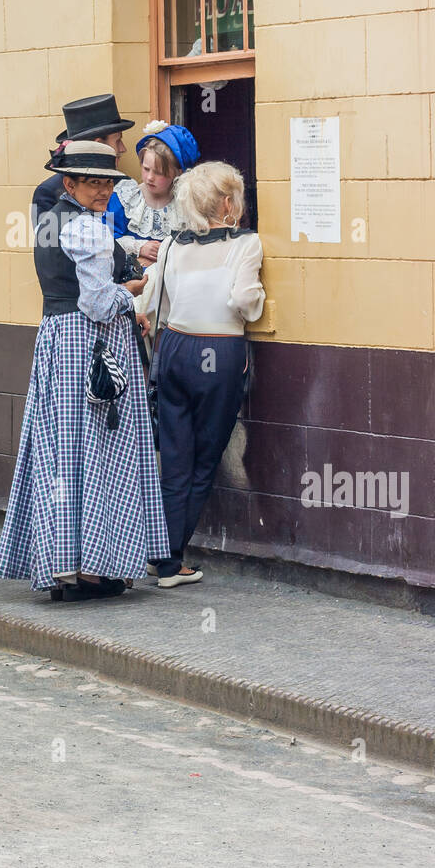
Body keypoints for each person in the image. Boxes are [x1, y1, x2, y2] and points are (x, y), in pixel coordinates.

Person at [0, 141, 170, 600]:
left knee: (64, 450)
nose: (102, 191)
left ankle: (70, 568)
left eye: (108, 182)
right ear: (68, 183)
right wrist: (128, 294)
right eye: (92, 182)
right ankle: (92, 569)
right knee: (96, 452)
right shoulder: (87, 230)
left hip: (59, 338)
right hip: (90, 343)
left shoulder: (53, 220)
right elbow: (94, 301)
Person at [141, 161, 265, 588]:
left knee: (175, 459)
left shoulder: (174, 244)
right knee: (205, 459)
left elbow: (155, 297)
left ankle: (161, 555)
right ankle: (171, 563)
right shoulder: (246, 244)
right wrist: (258, 301)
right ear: (228, 203)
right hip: (219, 352)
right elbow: (244, 301)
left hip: (174, 347)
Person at [108, 120, 200, 267]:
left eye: (159, 173)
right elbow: (106, 237)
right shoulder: (126, 198)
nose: (150, 177)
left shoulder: (186, 205)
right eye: (146, 169)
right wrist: (139, 247)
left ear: (178, 173)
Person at [31, 93, 133, 222]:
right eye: (118, 141)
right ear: (98, 144)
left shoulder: (123, 185)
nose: (123, 148)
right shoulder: (48, 192)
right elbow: (46, 239)